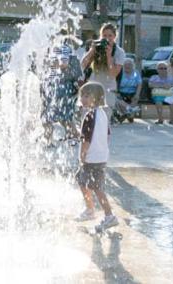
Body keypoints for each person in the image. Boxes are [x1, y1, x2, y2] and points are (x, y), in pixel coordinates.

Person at [75, 82, 118, 232]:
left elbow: (86, 139)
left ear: (96, 98)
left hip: (91, 158)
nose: (83, 99)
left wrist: (82, 154)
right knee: (82, 180)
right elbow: (107, 135)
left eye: (87, 96)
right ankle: (90, 209)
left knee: (97, 188)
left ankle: (108, 215)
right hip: (101, 156)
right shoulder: (102, 114)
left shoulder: (89, 115)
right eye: (82, 95)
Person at [81, 23, 125, 116]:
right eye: (104, 35)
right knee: (88, 119)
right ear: (101, 36)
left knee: (104, 121)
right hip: (92, 87)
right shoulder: (96, 47)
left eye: (110, 36)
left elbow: (113, 74)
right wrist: (91, 51)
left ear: (115, 36)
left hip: (108, 90)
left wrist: (109, 56)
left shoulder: (119, 52)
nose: (107, 38)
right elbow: (83, 64)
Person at [42, 45, 82, 145]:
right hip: (50, 84)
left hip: (61, 86)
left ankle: (72, 136)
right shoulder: (50, 48)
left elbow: (64, 64)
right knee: (52, 114)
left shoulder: (63, 47)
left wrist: (53, 63)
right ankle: (50, 139)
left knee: (63, 115)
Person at [116, 58, 142, 123]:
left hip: (132, 92)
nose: (127, 66)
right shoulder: (120, 72)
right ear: (123, 65)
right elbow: (116, 83)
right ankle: (130, 111)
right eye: (126, 64)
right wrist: (117, 92)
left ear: (133, 65)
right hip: (121, 92)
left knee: (135, 98)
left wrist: (137, 94)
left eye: (129, 64)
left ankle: (126, 115)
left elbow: (139, 84)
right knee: (117, 100)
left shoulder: (136, 72)